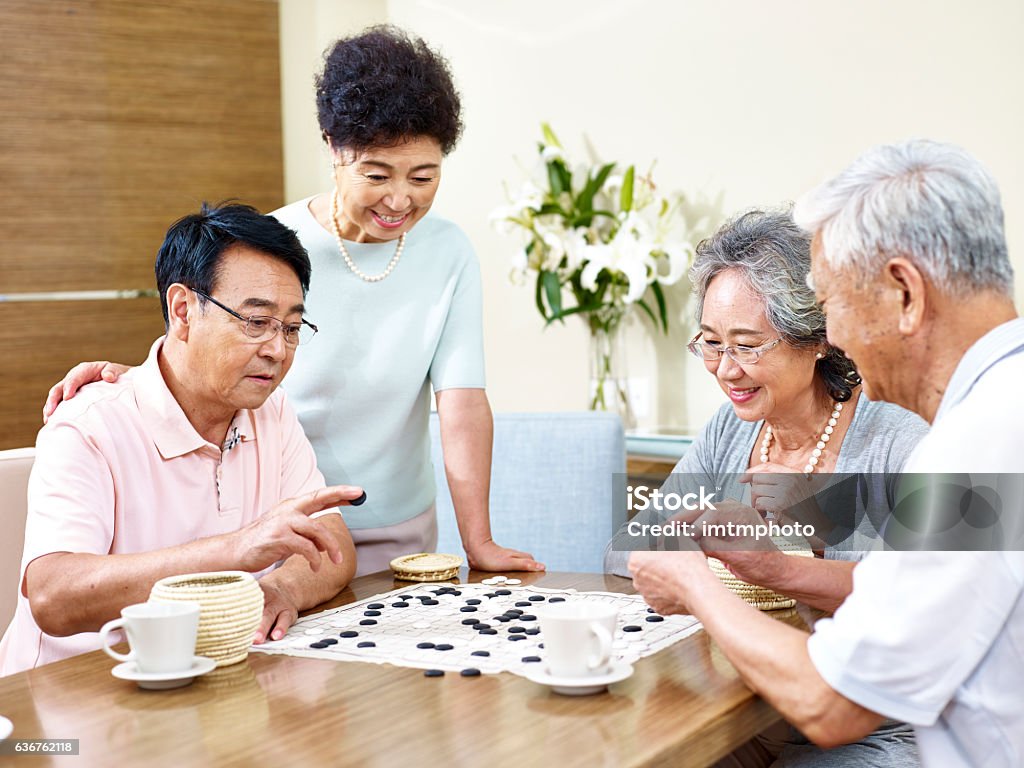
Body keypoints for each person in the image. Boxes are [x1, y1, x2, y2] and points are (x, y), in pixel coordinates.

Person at [42, 26, 542, 576]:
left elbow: (463, 404)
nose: (401, 198)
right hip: (280, 525)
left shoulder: (448, 251)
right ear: (332, 146)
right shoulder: (277, 246)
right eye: (376, 174)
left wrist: (480, 540)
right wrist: (134, 382)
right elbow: (210, 344)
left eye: (424, 177)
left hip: (402, 527)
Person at [630, 140, 1024, 768]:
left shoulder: (975, 448)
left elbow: (832, 705)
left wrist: (698, 584)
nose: (832, 335)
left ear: (904, 293)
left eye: (833, 302)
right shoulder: (998, 413)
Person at [607, 208, 927, 766]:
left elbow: (912, 603)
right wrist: (700, 534)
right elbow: (625, 549)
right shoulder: (729, 430)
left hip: (871, 731)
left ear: (817, 339)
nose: (725, 370)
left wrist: (813, 530)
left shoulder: (897, 440)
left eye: (748, 345)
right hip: (737, 707)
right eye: (710, 343)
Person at [0, 203, 363, 675]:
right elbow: (52, 595)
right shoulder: (88, 424)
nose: (276, 349)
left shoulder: (270, 411)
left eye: (291, 328)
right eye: (256, 322)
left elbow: (333, 544)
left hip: (208, 679)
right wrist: (237, 550)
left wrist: (281, 590)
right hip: (73, 692)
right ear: (182, 310)